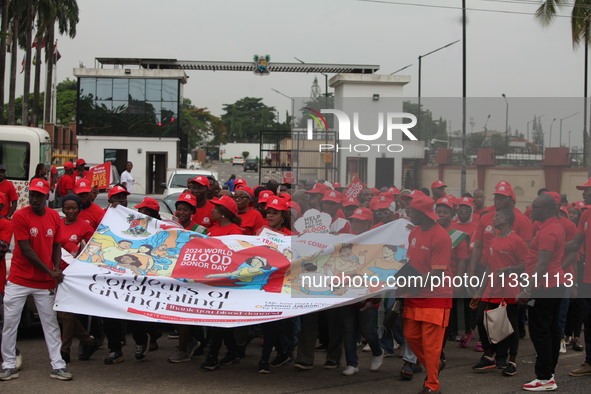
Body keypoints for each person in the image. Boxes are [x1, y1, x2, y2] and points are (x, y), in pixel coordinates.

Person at [0, 179, 72, 381]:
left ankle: (58, 365)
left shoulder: (53, 217)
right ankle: (7, 364)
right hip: (19, 279)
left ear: (47, 196)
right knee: (10, 323)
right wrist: (51, 271)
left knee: (50, 324)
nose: (35, 199)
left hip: (44, 283)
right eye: (32, 195)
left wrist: (56, 267)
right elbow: (26, 250)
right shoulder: (21, 216)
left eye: (39, 195)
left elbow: (56, 246)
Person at [401, 195, 452, 394]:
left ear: (422, 214)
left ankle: (432, 385)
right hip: (415, 292)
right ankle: (435, 364)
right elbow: (410, 263)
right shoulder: (414, 231)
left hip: (435, 295)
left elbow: (437, 274)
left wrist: (410, 286)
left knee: (430, 344)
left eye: (411, 212)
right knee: (410, 335)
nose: (408, 214)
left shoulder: (440, 237)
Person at [517, 194, 565, 391]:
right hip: (552, 285)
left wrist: (528, 288)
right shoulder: (552, 226)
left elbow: (542, 264)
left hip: (545, 287)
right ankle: (548, 373)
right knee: (551, 330)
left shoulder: (549, 231)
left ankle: (545, 377)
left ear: (545, 209)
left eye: (535, 206)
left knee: (540, 331)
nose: (531, 209)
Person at [470, 208, 525, 377]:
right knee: (482, 320)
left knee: (510, 325)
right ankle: (488, 356)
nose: (494, 218)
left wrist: (509, 270)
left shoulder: (516, 241)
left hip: (509, 288)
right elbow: (488, 266)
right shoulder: (493, 240)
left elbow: (525, 264)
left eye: (498, 215)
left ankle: (512, 361)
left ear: (507, 218)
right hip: (490, 288)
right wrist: (479, 291)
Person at [57, 194, 99, 363]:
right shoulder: (58, 224)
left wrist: (75, 250)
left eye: (74, 208)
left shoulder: (85, 227)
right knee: (62, 314)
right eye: (67, 208)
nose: (71, 211)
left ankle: (64, 351)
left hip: (74, 276)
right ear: (63, 209)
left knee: (66, 313)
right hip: (56, 273)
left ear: (78, 209)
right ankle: (88, 341)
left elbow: (92, 252)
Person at [566, 177, 591, 377]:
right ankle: (589, 362)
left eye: (587, 190)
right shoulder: (585, 215)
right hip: (586, 278)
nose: (583, 193)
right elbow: (575, 244)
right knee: (588, 321)